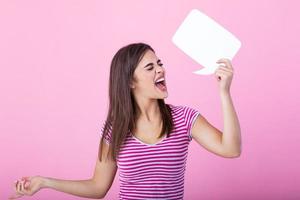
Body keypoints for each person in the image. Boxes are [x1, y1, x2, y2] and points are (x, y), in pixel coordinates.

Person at [9, 42, 241, 199]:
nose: (160, 70)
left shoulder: (184, 119)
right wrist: (45, 182)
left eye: (160, 63)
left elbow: (231, 149)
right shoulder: (115, 129)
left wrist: (224, 92)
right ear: (131, 82)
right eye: (150, 67)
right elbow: (98, 188)